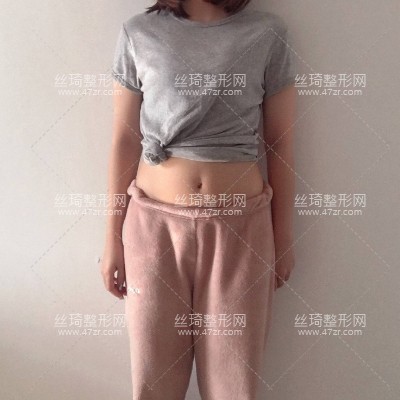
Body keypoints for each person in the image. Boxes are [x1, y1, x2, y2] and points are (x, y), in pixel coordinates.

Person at [101, 0, 297, 398]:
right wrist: (112, 239)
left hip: (241, 232)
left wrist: (283, 237)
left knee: (233, 387)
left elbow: (280, 143)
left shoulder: (267, 33)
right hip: (152, 230)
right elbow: (124, 141)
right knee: (153, 384)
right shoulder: (139, 33)